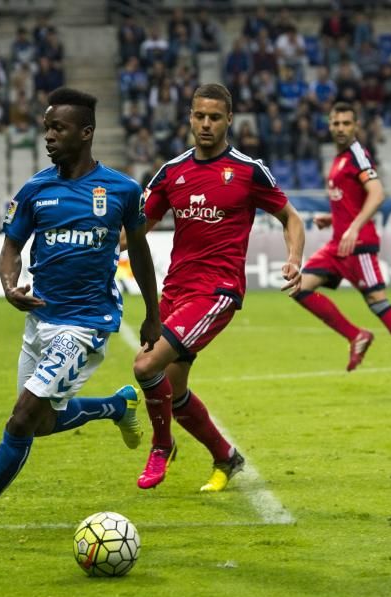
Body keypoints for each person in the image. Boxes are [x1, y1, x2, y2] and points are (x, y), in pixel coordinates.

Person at [0, 87, 161, 548]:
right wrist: (9, 286)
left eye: (59, 128)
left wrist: (153, 314)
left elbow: (143, 252)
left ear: (86, 132)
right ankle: (116, 405)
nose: (49, 136)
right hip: (40, 321)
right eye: (47, 127)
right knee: (43, 424)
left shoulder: (122, 190)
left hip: (86, 324)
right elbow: (12, 246)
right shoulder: (35, 190)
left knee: (19, 420)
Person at [132, 83, 306, 492]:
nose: (206, 124)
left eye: (214, 117)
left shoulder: (248, 170)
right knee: (173, 393)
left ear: (229, 120)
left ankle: (162, 447)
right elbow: (134, 233)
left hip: (218, 292)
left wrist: (295, 259)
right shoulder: (171, 172)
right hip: (175, 291)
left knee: (145, 367)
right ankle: (227, 457)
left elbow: (291, 219)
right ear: (189, 118)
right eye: (199, 116)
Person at [286, 101, 391, 396]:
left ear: (356, 126)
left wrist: (354, 227)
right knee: (298, 288)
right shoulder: (340, 158)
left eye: (346, 123)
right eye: (336, 123)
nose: (341, 128)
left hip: (359, 247)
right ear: (329, 126)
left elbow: (377, 193)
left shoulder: (357, 155)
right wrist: (335, 219)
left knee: (380, 304)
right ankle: (356, 335)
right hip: (338, 245)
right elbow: (352, 200)